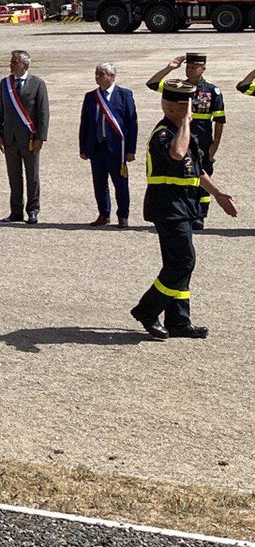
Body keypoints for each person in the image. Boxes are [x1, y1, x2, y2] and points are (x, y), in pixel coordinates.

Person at [130, 79, 237, 341]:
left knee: (179, 264)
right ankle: (147, 310)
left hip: (184, 207)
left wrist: (218, 194)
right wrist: (187, 122)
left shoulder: (183, 130)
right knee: (184, 261)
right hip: (167, 207)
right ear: (172, 106)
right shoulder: (165, 133)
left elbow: (196, 169)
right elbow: (177, 155)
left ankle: (178, 320)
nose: (192, 109)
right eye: (188, 105)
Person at [147, 53, 225, 230]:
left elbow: (219, 119)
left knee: (203, 176)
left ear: (203, 68)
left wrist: (215, 144)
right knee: (184, 174)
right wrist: (170, 68)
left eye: (194, 66)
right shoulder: (178, 88)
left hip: (203, 141)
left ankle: (200, 214)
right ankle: (187, 213)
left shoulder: (212, 91)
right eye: (188, 66)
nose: (190, 69)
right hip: (179, 137)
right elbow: (152, 83)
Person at [0, 50, 49, 225]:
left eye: (14, 62)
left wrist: (41, 137)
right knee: (14, 176)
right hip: (10, 138)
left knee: (32, 176)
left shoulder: (37, 84)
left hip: (30, 138)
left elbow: (43, 112)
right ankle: (15, 211)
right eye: (11, 62)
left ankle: (33, 210)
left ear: (24, 65)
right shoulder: (5, 84)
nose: (11, 65)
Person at [78, 63, 138, 228]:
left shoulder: (124, 95)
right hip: (96, 147)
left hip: (117, 149)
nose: (98, 77)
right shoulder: (91, 96)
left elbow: (132, 124)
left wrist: (131, 150)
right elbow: (85, 123)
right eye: (96, 74)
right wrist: (83, 148)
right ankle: (104, 214)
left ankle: (123, 216)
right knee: (99, 184)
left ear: (112, 77)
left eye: (102, 74)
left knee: (120, 184)